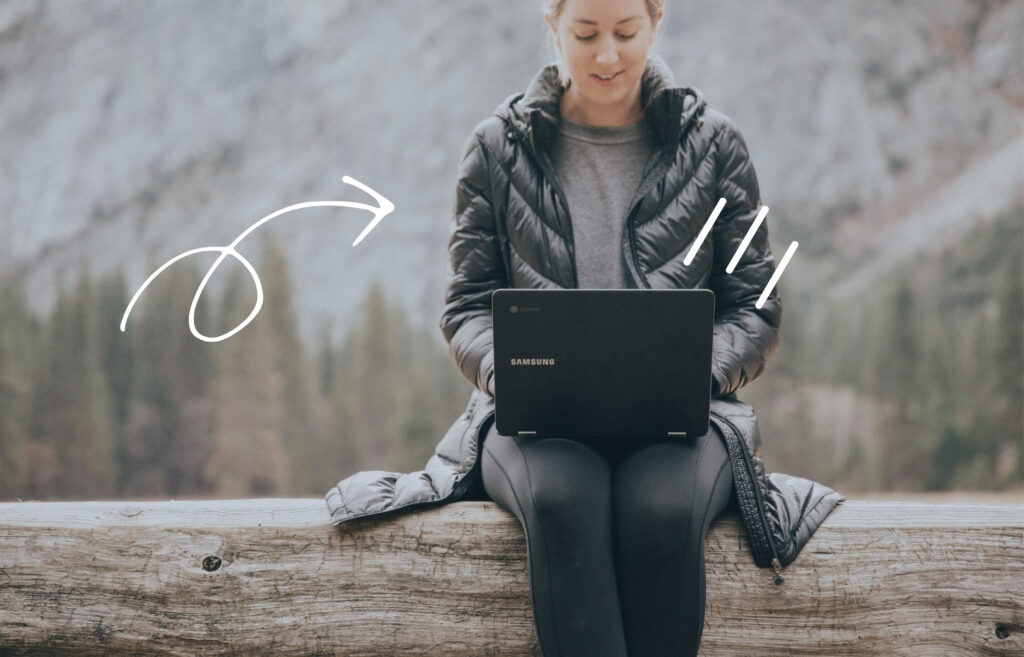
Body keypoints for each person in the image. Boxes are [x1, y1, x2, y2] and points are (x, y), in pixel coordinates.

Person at [326, 0, 844, 655]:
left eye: (627, 33)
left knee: (661, 507)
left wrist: (689, 372)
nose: (607, 55)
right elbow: (466, 308)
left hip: (684, 418)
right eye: (586, 33)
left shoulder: (717, 145)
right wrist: (507, 374)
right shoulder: (496, 146)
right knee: (563, 498)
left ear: (658, 23)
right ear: (551, 28)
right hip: (537, 424)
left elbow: (756, 307)